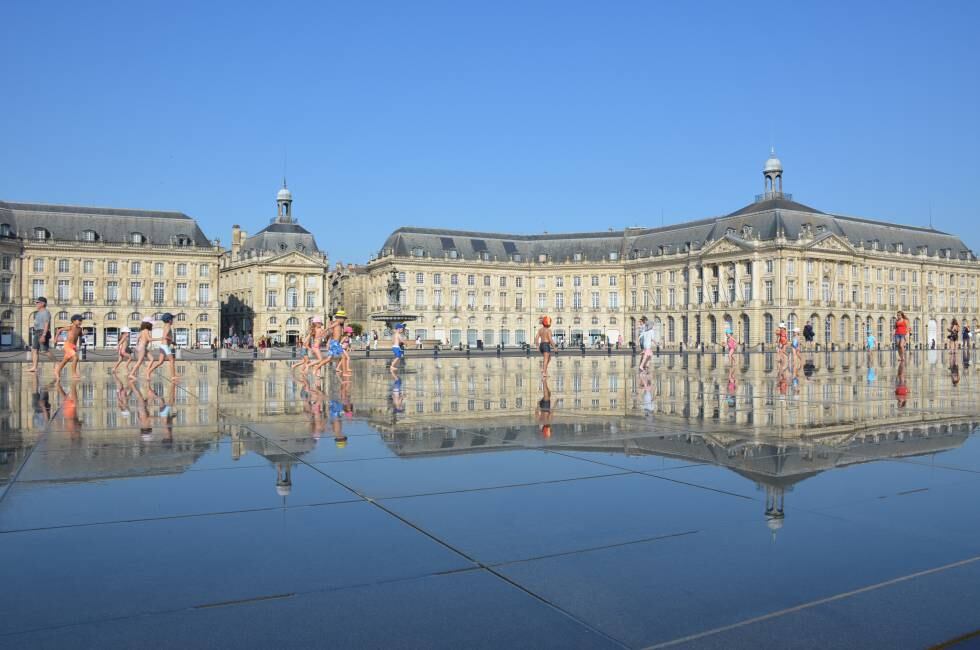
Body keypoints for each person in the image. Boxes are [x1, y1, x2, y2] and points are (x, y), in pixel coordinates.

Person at [146, 313, 177, 381]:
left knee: (160, 362)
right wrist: (171, 340)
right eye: (172, 319)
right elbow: (165, 336)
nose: (173, 321)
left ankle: (149, 371)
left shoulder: (165, 325)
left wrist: (172, 342)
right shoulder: (168, 326)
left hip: (163, 345)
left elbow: (165, 336)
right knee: (171, 360)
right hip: (165, 346)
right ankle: (173, 376)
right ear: (169, 320)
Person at [52, 314, 84, 380]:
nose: (81, 322)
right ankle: (74, 373)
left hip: (73, 347)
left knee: (65, 360)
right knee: (75, 357)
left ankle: (57, 370)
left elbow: (80, 335)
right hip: (67, 345)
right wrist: (55, 339)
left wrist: (84, 333)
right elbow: (59, 330)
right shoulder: (70, 327)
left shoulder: (80, 329)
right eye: (79, 320)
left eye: (81, 320)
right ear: (73, 321)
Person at [26, 297, 53, 373]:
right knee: (34, 350)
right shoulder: (38, 313)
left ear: (43, 303)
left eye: (37, 302)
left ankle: (57, 363)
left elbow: (46, 324)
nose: (36, 304)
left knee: (44, 351)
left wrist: (44, 335)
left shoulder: (46, 312)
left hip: (42, 332)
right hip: (37, 332)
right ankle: (34, 367)